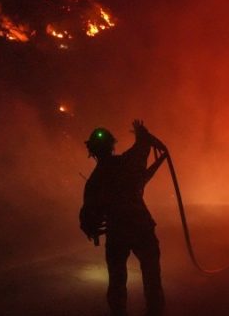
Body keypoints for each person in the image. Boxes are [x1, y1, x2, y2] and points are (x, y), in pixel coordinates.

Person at [80, 120, 168, 316]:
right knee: (152, 279)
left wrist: (92, 226)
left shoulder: (94, 181)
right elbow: (143, 145)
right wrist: (140, 131)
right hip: (141, 228)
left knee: (117, 283)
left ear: (92, 152)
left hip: (117, 234)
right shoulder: (127, 163)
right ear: (112, 145)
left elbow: (87, 218)